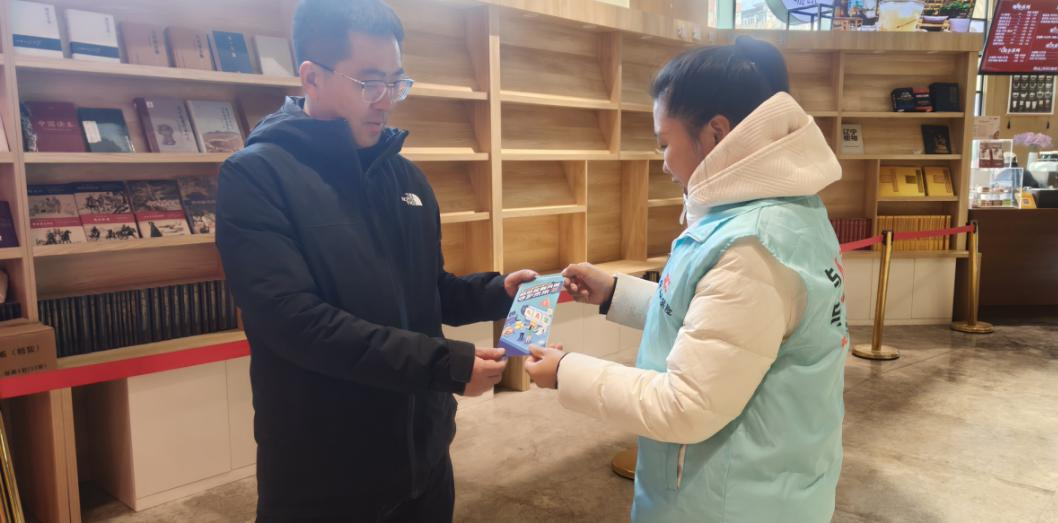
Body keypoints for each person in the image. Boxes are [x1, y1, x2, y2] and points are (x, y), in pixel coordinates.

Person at [215, 1, 538, 520]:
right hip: (322, 474)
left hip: (425, 459)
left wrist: (493, 293)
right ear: (311, 77)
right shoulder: (256, 178)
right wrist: (444, 365)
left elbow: (425, 290)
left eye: (395, 82)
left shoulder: (406, 179)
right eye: (368, 83)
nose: (386, 100)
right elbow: (295, 323)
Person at [526, 37, 848, 522]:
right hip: (762, 485)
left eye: (665, 142)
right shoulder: (781, 214)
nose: (663, 162)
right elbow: (717, 321)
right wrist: (614, 293)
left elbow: (687, 405)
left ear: (716, 132)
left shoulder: (752, 245)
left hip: (729, 502)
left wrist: (565, 371)